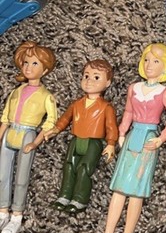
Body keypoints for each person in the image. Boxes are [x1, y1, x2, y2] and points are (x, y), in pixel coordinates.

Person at [86, 43, 166, 233]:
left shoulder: (165, 93)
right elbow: (128, 111)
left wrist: (161, 138)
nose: (149, 65)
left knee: (136, 192)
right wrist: (121, 133)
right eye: (146, 59)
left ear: (165, 66)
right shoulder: (134, 88)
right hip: (131, 137)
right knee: (119, 190)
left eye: (155, 61)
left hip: (148, 139)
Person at [44, 59, 117, 212]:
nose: (89, 81)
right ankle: (64, 196)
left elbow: (111, 126)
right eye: (86, 76)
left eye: (96, 77)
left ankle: (79, 199)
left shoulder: (106, 107)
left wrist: (111, 144)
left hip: (93, 143)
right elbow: (65, 118)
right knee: (69, 166)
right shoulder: (76, 104)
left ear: (108, 83)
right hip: (76, 140)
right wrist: (56, 129)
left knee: (85, 169)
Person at [0, 41, 57, 233]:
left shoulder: (46, 96)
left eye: (34, 64)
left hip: (27, 134)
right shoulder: (16, 91)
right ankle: (2, 210)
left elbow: (50, 122)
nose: (28, 67)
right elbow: (5, 117)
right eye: (26, 62)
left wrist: (35, 142)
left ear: (45, 69)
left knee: (21, 178)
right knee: (2, 174)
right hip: (10, 132)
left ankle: (16, 214)